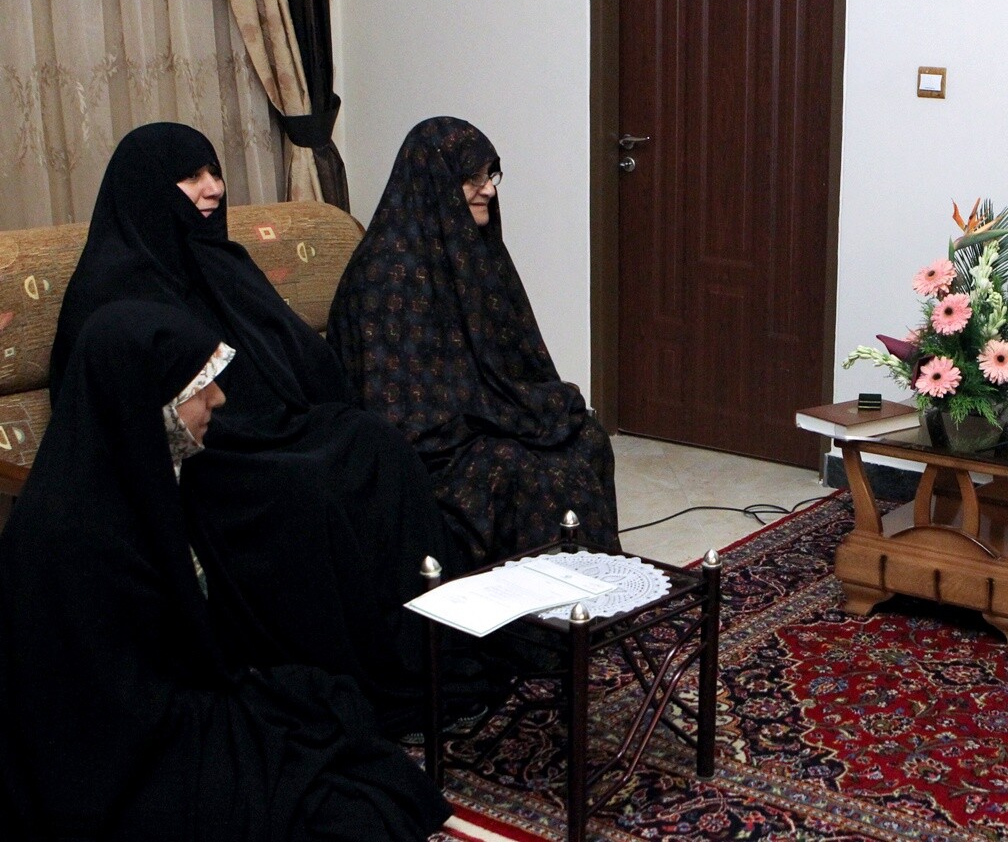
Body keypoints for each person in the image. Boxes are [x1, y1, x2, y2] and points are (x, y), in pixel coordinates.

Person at [49, 122, 455, 732]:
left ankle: (424, 649)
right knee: (311, 488)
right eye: (191, 178)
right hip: (204, 463)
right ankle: (346, 674)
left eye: (215, 173)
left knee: (377, 445)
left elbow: (298, 358)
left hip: (275, 431)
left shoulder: (221, 261)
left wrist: (308, 415)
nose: (213, 189)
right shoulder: (110, 287)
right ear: (148, 189)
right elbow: (119, 416)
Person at [0, 301, 450, 841]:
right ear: (148, 400)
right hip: (118, 766)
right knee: (348, 811)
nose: (218, 397)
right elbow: (108, 713)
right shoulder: (71, 535)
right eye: (199, 386)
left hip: (167, 716)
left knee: (333, 707)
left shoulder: (140, 481)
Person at [328, 116, 619, 567]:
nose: (488, 191)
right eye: (472, 179)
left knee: (586, 436)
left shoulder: (474, 253)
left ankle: (601, 589)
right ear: (435, 184)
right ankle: (538, 607)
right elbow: (402, 410)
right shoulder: (385, 274)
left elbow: (511, 360)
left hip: (478, 416)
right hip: (430, 445)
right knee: (533, 473)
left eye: (490, 175)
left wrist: (525, 407)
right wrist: (506, 416)